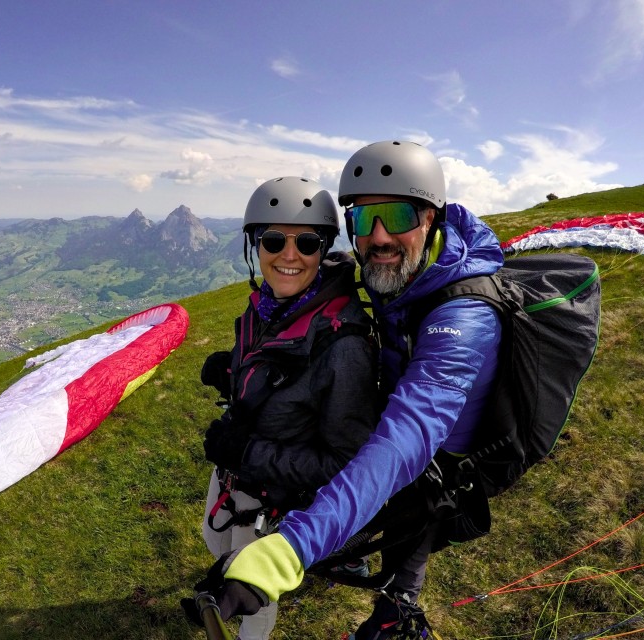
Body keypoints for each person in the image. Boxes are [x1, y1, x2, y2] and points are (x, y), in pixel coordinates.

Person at [188, 141, 505, 639]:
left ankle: (392, 608)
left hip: (433, 460)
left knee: (403, 567)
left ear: (431, 218)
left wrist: (286, 551)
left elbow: (398, 441)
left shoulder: (462, 320)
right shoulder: (392, 275)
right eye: (362, 218)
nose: (378, 235)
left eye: (396, 215)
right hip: (386, 443)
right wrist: (237, 372)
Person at [186, 176, 379, 640]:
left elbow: (346, 465)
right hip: (234, 473)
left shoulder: (346, 347)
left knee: (251, 602)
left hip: (272, 496)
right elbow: (281, 374)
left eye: (306, 243)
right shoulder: (269, 306)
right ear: (256, 245)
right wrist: (233, 371)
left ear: (323, 248)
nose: (289, 255)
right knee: (214, 540)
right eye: (273, 240)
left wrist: (247, 453)